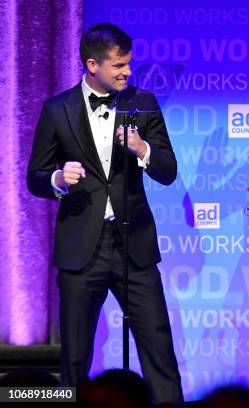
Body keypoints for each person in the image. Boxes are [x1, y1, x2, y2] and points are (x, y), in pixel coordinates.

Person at [26, 23, 183, 404]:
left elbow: (168, 170)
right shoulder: (57, 110)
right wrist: (59, 178)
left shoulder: (143, 103)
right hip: (82, 250)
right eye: (119, 65)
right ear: (92, 64)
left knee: (158, 347)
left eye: (129, 64)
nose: (127, 72)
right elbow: (34, 177)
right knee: (75, 356)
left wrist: (142, 148)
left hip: (135, 246)